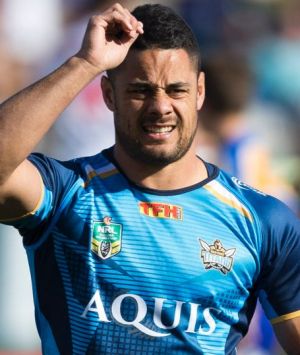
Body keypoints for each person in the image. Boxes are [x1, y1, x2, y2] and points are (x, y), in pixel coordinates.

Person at [0, 3, 299, 354]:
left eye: (177, 90)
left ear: (200, 92)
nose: (160, 107)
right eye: (141, 91)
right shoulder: (67, 194)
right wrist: (84, 64)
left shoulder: (263, 220)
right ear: (110, 95)